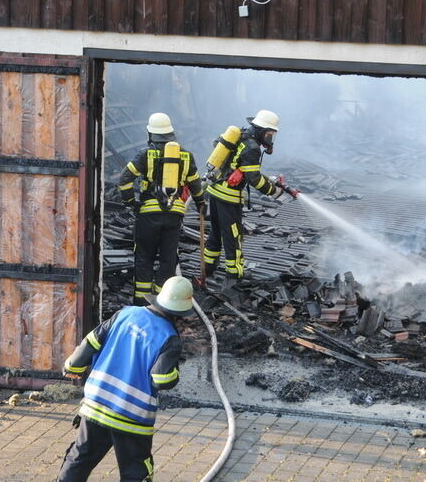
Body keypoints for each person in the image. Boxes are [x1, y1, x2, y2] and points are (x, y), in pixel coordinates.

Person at [57, 275, 194, 482]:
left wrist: (72, 366)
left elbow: (91, 342)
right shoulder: (169, 337)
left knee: (80, 457)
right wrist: (175, 372)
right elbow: (162, 379)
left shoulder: (125, 313)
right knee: (135, 471)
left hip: (96, 403)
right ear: (181, 311)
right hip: (131, 415)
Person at [203, 109, 293, 299]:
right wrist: (273, 192)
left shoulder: (239, 136)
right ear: (261, 130)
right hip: (229, 197)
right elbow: (254, 178)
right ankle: (234, 275)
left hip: (215, 191)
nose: (270, 138)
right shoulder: (252, 147)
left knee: (216, 232)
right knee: (233, 235)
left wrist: (239, 169)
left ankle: (207, 268)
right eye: (269, 134)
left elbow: (221, 149)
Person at [118, 113, 206, 305]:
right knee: (168, 260)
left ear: (151, 134)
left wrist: (131, 202)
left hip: (148, 216)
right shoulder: (186, 156)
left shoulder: (145, 154)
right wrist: (201, 204)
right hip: (174, 215)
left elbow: (124, 180)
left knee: (144, 257)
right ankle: (163, 304)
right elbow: (196, 186)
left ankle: (142, 304)